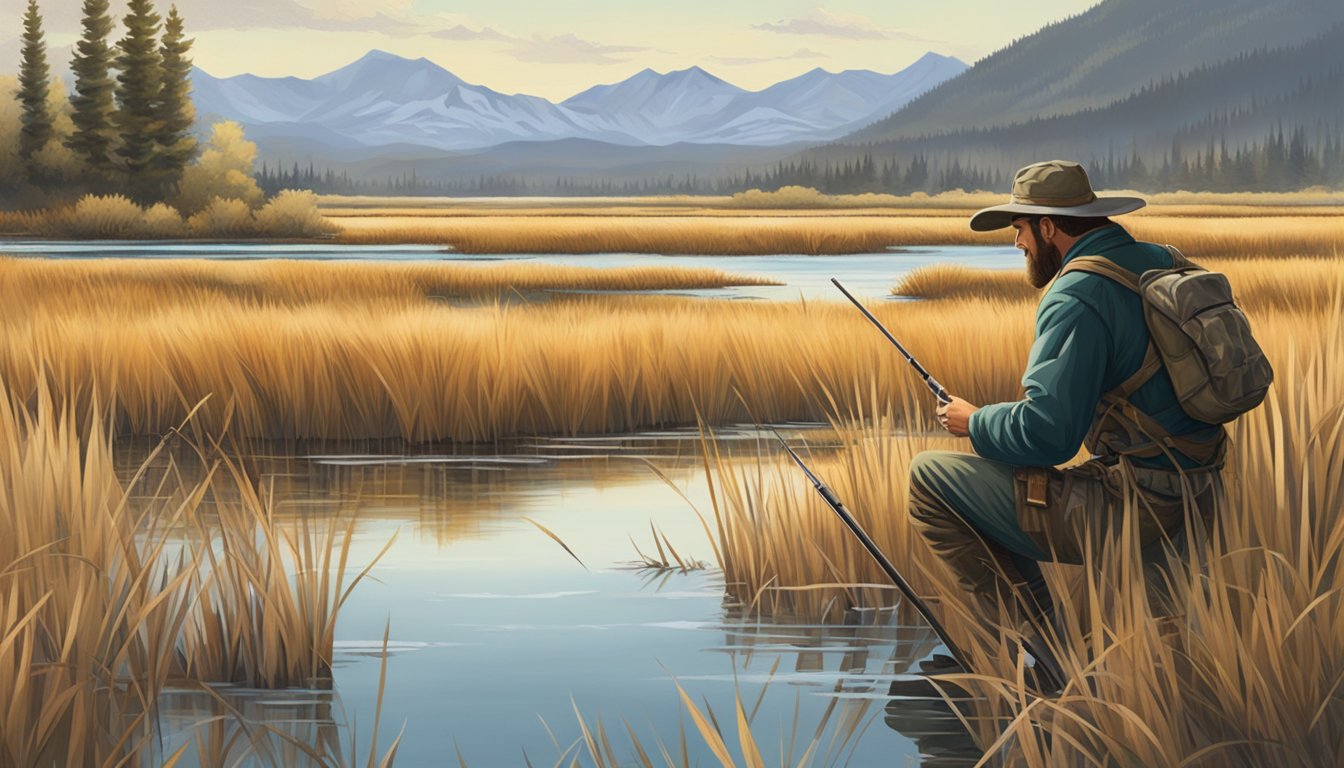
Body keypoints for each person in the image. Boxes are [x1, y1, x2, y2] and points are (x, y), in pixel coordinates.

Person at [902, 159, 1226, 692]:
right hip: (1200, 486)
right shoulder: (1162, 262)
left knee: (928, 479)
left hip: (1139, 504)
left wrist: (974, 421)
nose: (1018, 244)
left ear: (1048, 227)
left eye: (1019, 229)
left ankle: (1047, 655)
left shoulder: (1076, 294)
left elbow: (1049, 436)